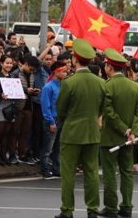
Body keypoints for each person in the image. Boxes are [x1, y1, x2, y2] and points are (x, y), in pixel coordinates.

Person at [55, 38, 106, 218]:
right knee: (91, 172)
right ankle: (92, 209)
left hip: (71, 133)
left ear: (75, 59)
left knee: (68, 173)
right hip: (92, 132)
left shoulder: (69, 82)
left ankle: (67, 210)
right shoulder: (100, 82)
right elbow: (102, 108)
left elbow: (60, 109)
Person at [98, 48, 138, 218]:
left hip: (110, 137)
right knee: (127, 172)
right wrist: (133, 131)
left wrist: (124, 129)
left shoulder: (107, 86)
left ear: (109, 67)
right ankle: (127, 206)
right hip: (130, 139)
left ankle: (111, 207)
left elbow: (108, 112)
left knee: (110, 173)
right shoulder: (134, 86)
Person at [40, 61, 67, 179]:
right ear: (56, 72)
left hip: (60, 118)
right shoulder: (48, 87)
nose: (66, 73)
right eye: (64, 71)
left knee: (58, 147)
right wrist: (51, 121)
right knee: (48, 148)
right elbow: (45, 106)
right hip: (52, 119)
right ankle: (45, 170)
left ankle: (57, 169)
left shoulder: (62, 86)